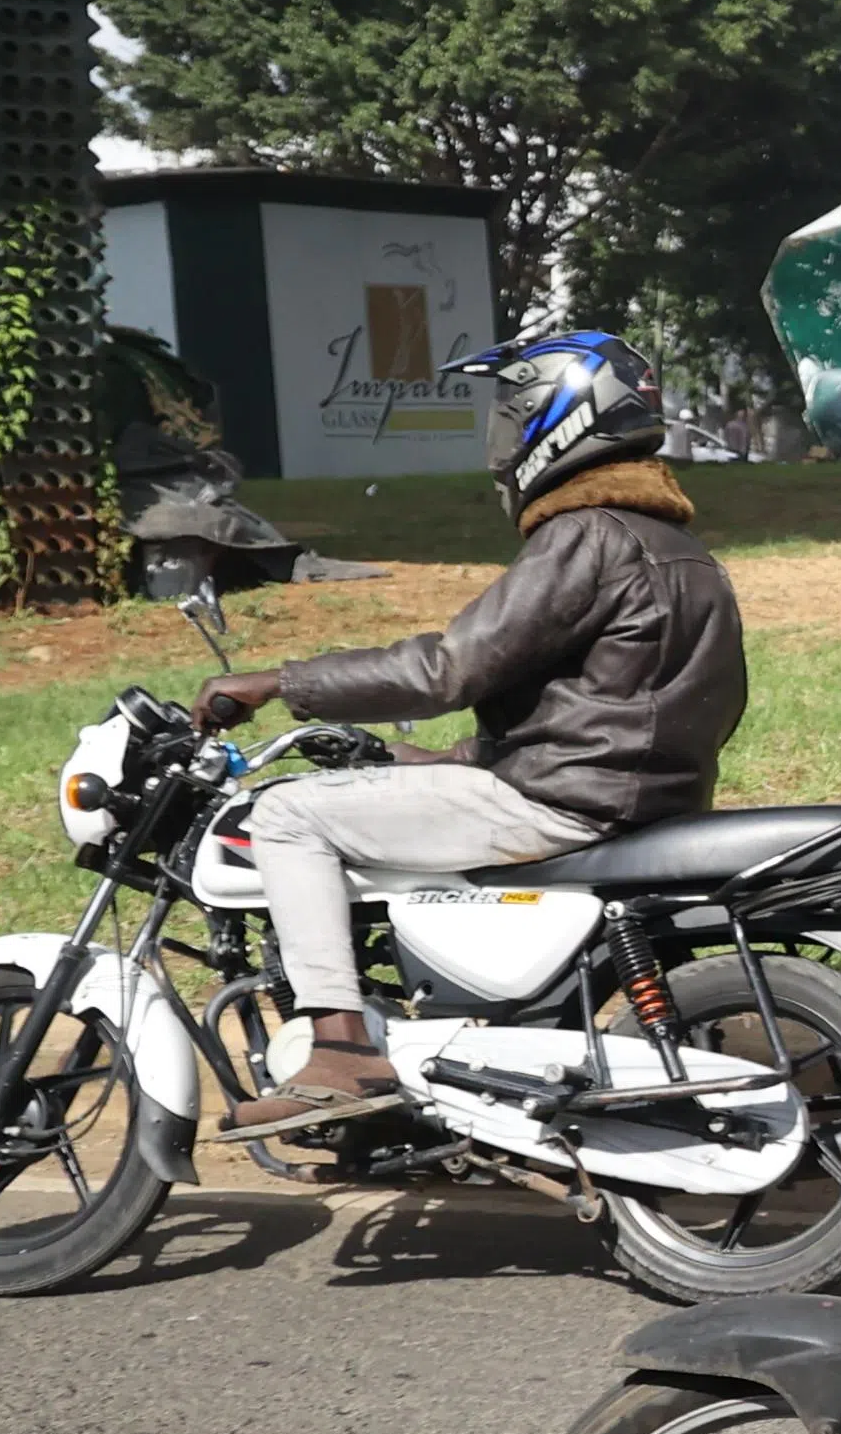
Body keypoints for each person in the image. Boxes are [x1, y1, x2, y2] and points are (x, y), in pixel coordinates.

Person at [194, 333, 748, 1136]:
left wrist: (280, 683)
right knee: (352, 798)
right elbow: (604, 710)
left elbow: (447, 671)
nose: (499, 440)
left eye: (508, 415)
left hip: (558, 806)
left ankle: (342, 1054)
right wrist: (435, 758)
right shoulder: (685, 553)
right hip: (633, 800)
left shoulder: (587, 536)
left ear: (551, 420)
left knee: (285, 815)